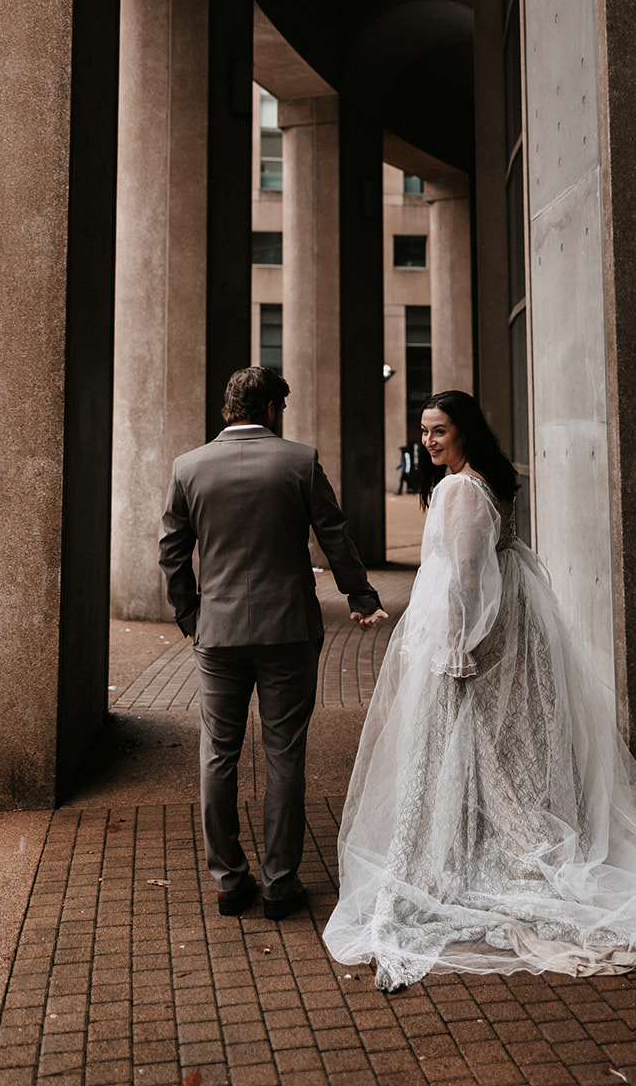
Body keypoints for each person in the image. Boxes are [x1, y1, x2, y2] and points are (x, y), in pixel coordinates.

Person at [323, 390, 636, 990]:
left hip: (476, 643)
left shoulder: (459, 488)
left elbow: (466, 576)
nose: (428, 440)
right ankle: (499, 844)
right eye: (424, 430)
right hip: (511, 633)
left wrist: (454, 648)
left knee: (465, 751)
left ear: (464, 432)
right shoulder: (489, 483)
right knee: (498, 751)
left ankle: (478, 858)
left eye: (439, 430)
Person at [159, 366, 388, 921]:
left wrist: (191, 614)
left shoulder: (188, 468)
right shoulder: (299, 461)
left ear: (227, 409)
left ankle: (229, 882)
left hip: (218, 633)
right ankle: (280, 885)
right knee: (284, 755)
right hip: (288, 630)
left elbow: (171, 551)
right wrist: (359, 596)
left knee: (219, 752)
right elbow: (334, 534)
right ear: (270, 409)